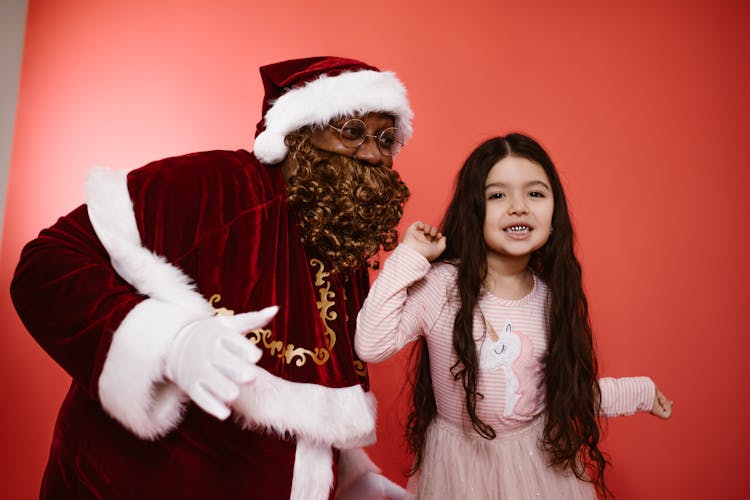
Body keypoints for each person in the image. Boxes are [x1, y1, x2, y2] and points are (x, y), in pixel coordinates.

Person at [11, 56, 413, 500]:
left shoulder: (340, 243)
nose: (375, 154)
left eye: (386, 138)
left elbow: (316, 395)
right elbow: (47, 264)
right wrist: (170, 343)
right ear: (298, 134)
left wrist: (355, 482)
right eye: (352, 132)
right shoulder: (214, 187)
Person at [355, 133, 673, 499]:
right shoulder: (441, 286)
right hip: (459, 472)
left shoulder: (551, 299)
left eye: (535, 194)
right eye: (497, 195)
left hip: (536, 468)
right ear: (473, 210)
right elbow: (371, 344)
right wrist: (410, 257)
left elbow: (564, 396)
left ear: (555, 212)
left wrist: (641, 392)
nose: (519, 207)